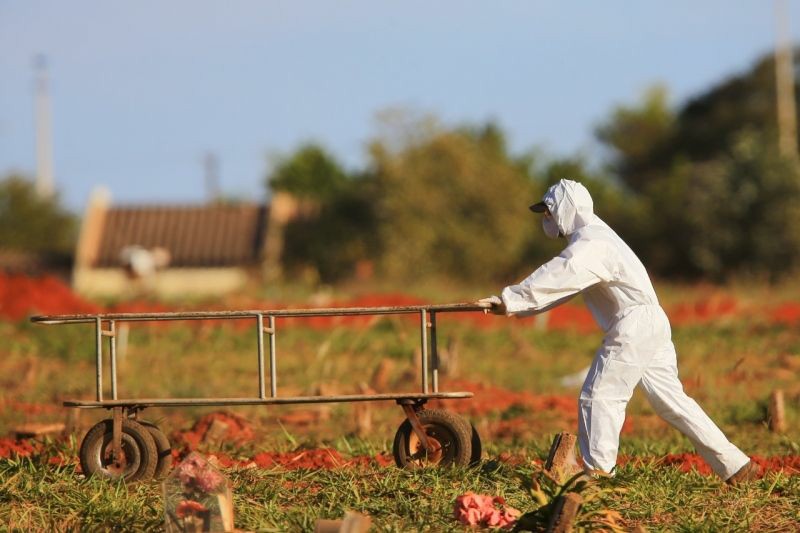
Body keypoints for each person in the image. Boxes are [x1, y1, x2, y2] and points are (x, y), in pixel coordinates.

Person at [479, 179, 758, 484]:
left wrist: (509, 300)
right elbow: (562, 288)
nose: (545, 219)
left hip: (635, 323)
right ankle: (736, 466)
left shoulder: (590, 244)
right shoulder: (596, 238)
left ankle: (598, 476)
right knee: (673, 403)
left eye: (549, 212)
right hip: (652, 321)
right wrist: (514, 305)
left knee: (599, 396)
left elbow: (560, 275)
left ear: (566, 210)